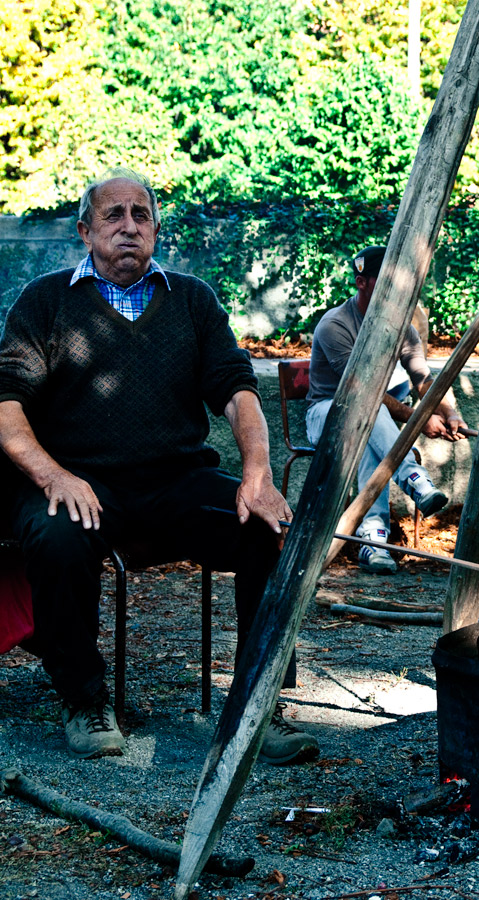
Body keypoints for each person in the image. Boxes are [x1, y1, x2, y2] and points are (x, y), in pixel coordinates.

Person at [0, 168, 319, 764]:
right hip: (77, 480)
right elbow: (6, 405)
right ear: (85, 231)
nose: (128, 227)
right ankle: (84, 700)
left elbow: (236, 390)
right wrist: (53, 476)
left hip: (173, 481)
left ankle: (257, 704)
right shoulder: (44, 301)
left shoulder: (192, 300)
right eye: (113, 216)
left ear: (156, 229)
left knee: (270, 528)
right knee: (55, 534)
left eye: (140, 215)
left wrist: (257, 474)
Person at [306, 245, 467, 573]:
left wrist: (450, 413)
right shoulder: (335, 325)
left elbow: (424, 380)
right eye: (386, 282)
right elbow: (363, 390)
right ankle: (413, 479)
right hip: (325, 413)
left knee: (366, 430)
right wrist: (418, 421)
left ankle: (374, 540)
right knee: (365, 410)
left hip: (367, 421)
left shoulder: (403, 329)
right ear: (361, 282)